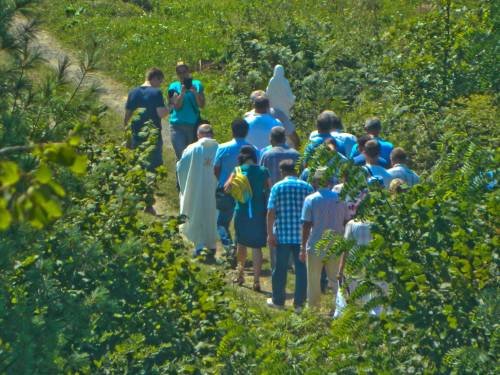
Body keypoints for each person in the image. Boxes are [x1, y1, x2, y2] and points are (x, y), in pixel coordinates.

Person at [300, 167, 351, 311]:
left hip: (316, 243)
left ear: (316, 181)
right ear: (330, 181)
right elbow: (346, 221)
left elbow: (306, 225)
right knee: (336, 279)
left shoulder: (310, 199)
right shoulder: (340, 199)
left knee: (313, 280)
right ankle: (340, 309)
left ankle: (313, 309)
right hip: (336, 243)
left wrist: (302, 248)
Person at [266, 160, 313, 311]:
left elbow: (271, 212)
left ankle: (278, 301)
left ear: (282, 171)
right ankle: (299, 303)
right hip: (302, 235)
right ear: (296, 170)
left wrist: (269, 234)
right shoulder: (307, 187)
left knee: (280, 269)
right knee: (301, 270)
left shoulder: (277, 187)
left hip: (282, 234)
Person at [226, 146, 271, 291]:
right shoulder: (263, 171)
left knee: (241, 244)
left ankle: (240, 275)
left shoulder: (237, 171)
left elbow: (227, 188)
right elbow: (268, 189)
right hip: (258, 213)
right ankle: (256, 281)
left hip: (242, 211)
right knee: (257, 247)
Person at [176, 124, 218, 260]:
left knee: (196, 213)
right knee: (213, 216)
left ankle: (199, 246)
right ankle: (212, 246)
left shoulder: (191, 148)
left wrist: (185, 185)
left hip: (195, 188)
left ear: (198, 135)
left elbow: (181, 167)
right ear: (212, 134)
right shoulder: (220, 148)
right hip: (214, 189)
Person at [213, 119, 256, 250]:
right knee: (240, 221)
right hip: (244, 188)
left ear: (232, 130)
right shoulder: (252, 150)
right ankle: (238, 248)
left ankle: (228, 246)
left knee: (222, 222)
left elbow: (216, 168)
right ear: (247, 131)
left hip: (226, 188)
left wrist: (222, 181)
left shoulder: (222, 148)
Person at [124, 67, 169, 171]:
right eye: (160, 81)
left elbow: (127, 117)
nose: (160, 84)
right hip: (153, 136)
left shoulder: (133, 92)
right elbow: (161, 114)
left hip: (136, 135)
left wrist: (127, 136)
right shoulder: (156, 92)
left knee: (137, 167)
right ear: (155, 78)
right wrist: (171, 106)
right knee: (153, 168)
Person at [167, 62, 206, 160]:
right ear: (177, 75)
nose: (182, 75)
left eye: (184, 72)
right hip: (177, 126)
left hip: (193, 126)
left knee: (193, 156)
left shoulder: (197, 84)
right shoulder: (173, 87)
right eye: (179, 73)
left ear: (188, 72)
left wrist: (195, 92)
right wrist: (182, 93)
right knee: (181, 156)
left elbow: (201, 105)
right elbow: (177, 106)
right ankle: (180, 174)